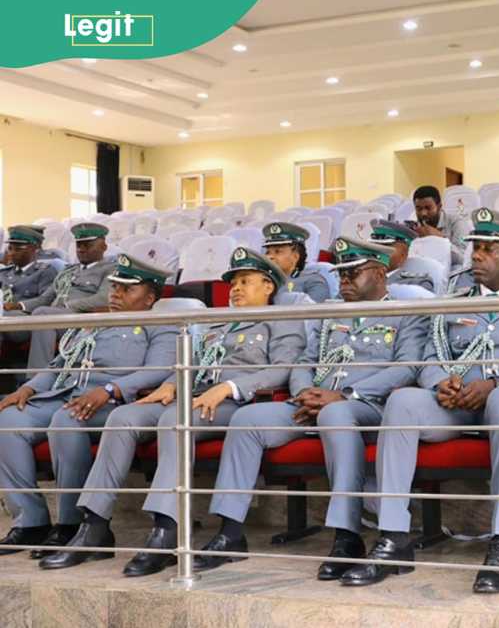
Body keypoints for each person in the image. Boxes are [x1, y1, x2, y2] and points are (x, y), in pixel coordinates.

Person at [339, 209, 499, 595]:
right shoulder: (451, 304)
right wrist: (439, 382)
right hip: (454, 403)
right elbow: (427, 358)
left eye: (489, 248)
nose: (476, 255)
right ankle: (394, 536)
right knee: (405, 402)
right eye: (475, 246)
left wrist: (498, 382)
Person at [196, 237, 429, 578]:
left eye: (353, 273)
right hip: (313, 402)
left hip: (369, 405)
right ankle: (230, 533)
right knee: (247, 419)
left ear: (380, 273)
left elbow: (407, 368)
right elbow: (305, 360)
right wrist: (305, 392)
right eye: (341, 274)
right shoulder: (328, 312)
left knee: (337, 413)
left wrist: (344, 394)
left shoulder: (404, 314)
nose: (344, 281)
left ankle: (347, 536)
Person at [107, 247, 305, 577]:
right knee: (125, 416)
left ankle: (165, 531)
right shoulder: (217, 321)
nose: (235, 289)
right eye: (232, 283)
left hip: (236, 403)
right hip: (193, 397)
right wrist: (171, 383)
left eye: (245, 281)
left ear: (268, 286)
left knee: (175, 421)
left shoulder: (282, 318)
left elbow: (283, 369)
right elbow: (196, 361)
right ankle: (93, 520)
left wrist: (228, 388)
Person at [0, 255, 176, 562]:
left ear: (150, 298)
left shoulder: (160, 325)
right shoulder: (96, 321)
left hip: (112, 401)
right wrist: (28, 388)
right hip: (66, 392)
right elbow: (60, 364)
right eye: (114, 287)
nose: (115, 294)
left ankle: (71, 523)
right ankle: (30, 520)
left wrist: (110, 389)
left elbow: (159, 370)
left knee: (67, 419)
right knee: (8, 421)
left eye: (126, 289)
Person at [18, 222, 115, 374]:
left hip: (83, 319)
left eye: (87, 245)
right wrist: (18, 306)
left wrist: (69, 306)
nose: (81, 250)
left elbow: (103, 299)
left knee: (43, 314)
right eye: (78, 246)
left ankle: (34, 379)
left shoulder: (110, 269)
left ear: (103, 247)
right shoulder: (68, 270)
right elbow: (44, 299)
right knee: (33, 314)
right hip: (56, 316)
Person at [0, 226, 59, 342]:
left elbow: (46, 300)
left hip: (25, 321)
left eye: (18, 249)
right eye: (10, 248)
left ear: (34, 249)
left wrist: (18, 305)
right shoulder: (4, 272)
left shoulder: (45, 271)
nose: (11, 253)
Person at [261, 222, 331, 303]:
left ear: (295, 256)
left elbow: (315, 313)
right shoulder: (262, 282)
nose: (270, 257)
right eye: (268, 252)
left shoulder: (313, 282)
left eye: (277, 252)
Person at [368, 219, 436, 292]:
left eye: (386, 248)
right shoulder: (364, 277)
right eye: (375, 246)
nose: (378, 252)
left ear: (403, 256)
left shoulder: (417, 283)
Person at [412, 185, 472, 264]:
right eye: (419, 209)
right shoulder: (414, 226)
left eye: (428, 208)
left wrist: (440, 239)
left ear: (439, 206)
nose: (423, 213)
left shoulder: (457, 222)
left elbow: (462, 259)